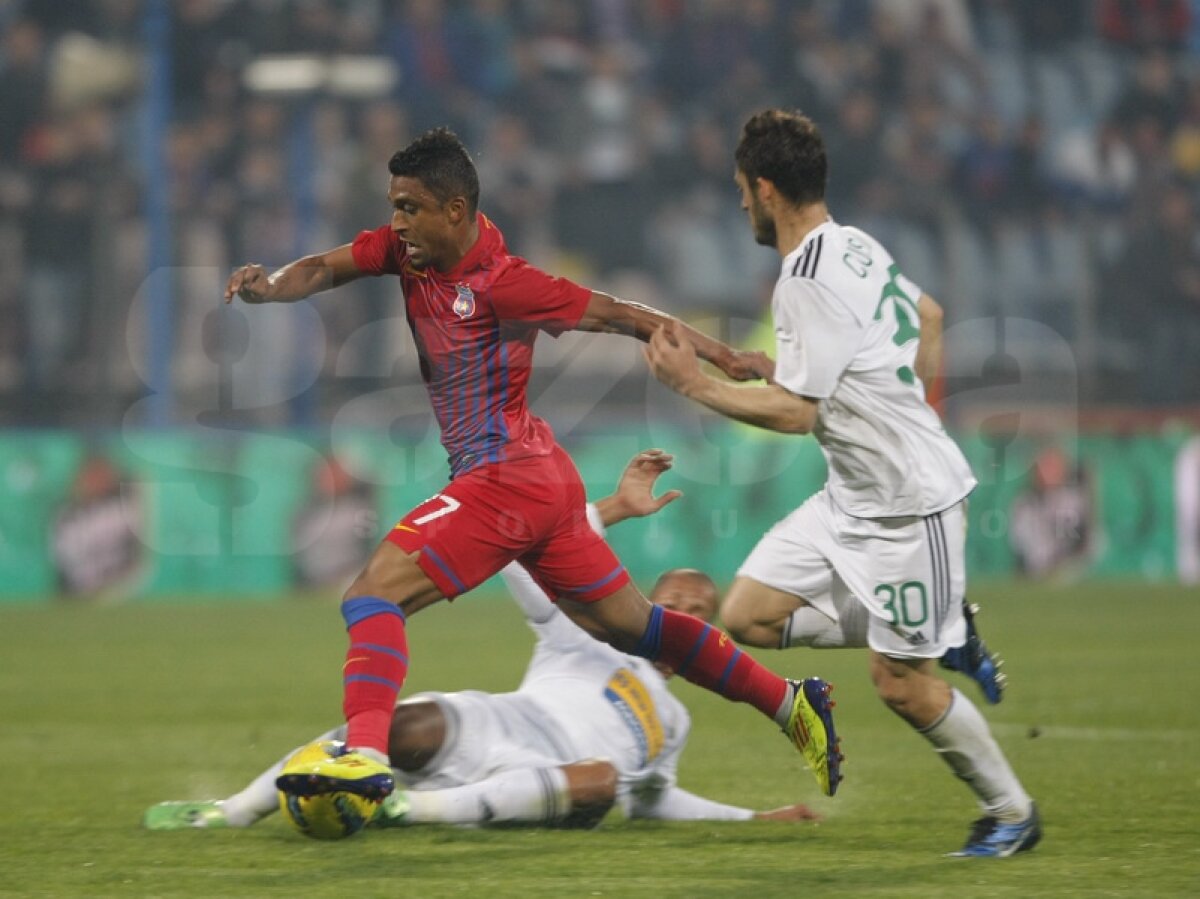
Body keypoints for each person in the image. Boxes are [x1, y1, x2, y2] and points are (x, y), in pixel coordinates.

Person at [222, 128, 841, 809]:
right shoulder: (407, 250)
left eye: (409, 207)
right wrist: (270, 286)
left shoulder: (504, 282)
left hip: (504, 478)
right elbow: (325, 267)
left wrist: (725, 357)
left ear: (454, 210)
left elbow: (619, 313)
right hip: (543, 479)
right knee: (634, 626)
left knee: (372, 595)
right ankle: (790, 703)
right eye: (393, 206)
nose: (396, 222)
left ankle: (365, 756)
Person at [644, 109, 1039, 857]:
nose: (738, 205)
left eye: (740, 190)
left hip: (907, 506)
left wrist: (691, 385)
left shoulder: (804, 280)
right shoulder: (851, 243)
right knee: (749, 613)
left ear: (766, 189)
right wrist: (906, 402)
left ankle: (1013, 810)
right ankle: (942, 626)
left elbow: (797, 414)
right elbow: (929, 314)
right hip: (852, 496)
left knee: (899, 683)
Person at [144, 451, 820, 831]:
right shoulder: (581, 624)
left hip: (547, 776)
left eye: (698, 610)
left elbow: (655, 797)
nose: (685, 611)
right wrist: (612, 508)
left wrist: (753, 818)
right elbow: (538, 539)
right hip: (502, 723)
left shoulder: (672, 720)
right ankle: (234, 811)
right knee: (397, 723)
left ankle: (406, 808)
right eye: (673, 598)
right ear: (648, 597)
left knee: (605, 783)